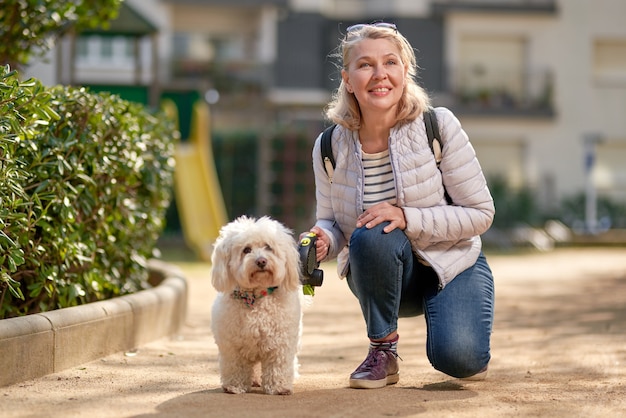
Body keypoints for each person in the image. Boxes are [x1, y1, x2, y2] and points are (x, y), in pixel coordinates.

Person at [304, 22, 495, 389]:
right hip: (384, 274)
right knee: (373, 230)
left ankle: (457, 319)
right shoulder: (329, 147)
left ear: (405, 71)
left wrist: (407, 218)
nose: (380, 75)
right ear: (347, 79)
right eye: (365, 65)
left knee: (461, 360)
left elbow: (481, 213)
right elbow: (331, 221)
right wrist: (322, 239)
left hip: (453, 264)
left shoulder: (437, 126)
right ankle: (383, 351)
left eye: (390, 62)